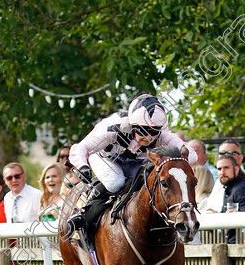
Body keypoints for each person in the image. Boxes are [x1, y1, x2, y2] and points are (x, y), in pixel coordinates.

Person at [67, 94, 196, 234]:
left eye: (153, 132)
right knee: (115, 182)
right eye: (142, 131)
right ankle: (82, 211)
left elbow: (192, 155)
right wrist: (82, 167)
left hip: (136, 163)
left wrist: (182, 151)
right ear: (133, 125)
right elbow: (80, 148)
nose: (148, 137)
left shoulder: (163, 134)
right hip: (105, 158)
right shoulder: (112, 127)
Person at [207, 141, 245, 213]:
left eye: (231, 153)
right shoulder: (224, 183)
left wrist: (236, 216)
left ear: (236, 169)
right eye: (222, 153)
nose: (222, 172)